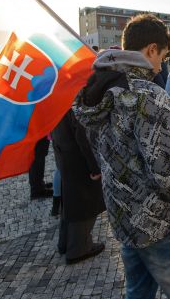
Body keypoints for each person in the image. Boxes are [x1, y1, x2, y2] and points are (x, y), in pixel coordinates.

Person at [73, 14, 170, 298]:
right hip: (160, 223)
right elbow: (169, 174)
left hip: (124, 217)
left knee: (138, 293)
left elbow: (119, 147)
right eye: (164, 56)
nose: (161, 65)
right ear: (151, 49)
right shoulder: (148, 95)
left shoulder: (97, 91)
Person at [52, 109, 106, 265]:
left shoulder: (56, 97)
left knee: (70, 199)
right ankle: (79, 249)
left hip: (64, 152)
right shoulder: (72, 101)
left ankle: (65, 243)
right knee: (85, 202)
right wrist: (94, 167)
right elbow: (83, 136)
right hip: (77, 158)